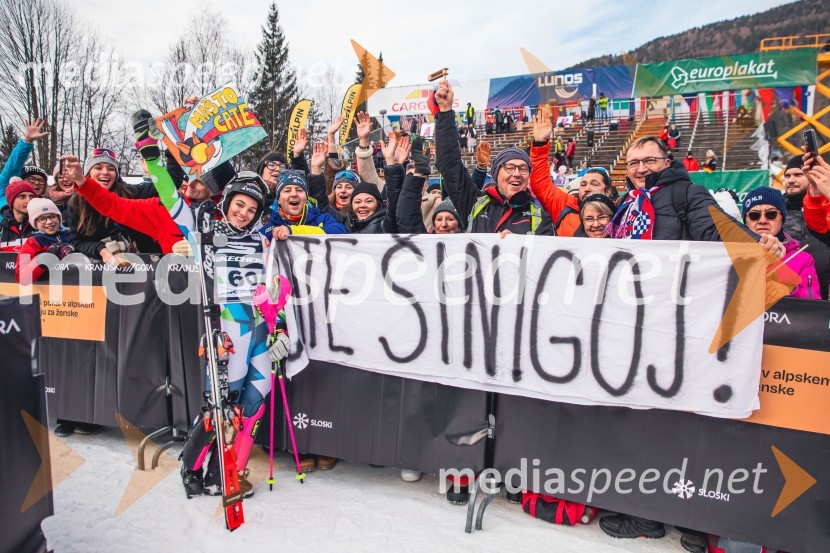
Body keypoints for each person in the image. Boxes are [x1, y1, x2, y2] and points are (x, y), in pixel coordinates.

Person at [599, 136, 784, 543]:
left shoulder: (686, 192)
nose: (641, 167)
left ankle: (682, 520)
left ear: (668, 160)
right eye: (633, 162)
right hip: (636, 328)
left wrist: (757, 245)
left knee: (674, 425)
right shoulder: (629, 206)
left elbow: (718, 230)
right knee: (646, 421)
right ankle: (657, 513)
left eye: (649, 160)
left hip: (674, 329)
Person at [433, 78, 552, 237]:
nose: (516, 173)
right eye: (509, 167)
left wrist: (517, 245)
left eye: (523, 169)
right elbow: (448, 163)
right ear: (496, 174)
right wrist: (446, 111)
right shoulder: (474, 202)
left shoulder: (541, 218)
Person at [64, 148, 160, 261]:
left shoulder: (132, 193)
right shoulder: (76, 203)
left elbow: (165, 188)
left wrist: (153, 170)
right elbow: (78, 242)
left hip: (147, 262)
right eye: (98, 168)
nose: (105, 172)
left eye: (111, 169)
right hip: (105, 268)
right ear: (88, 173)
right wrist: (101, 250)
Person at [528, 113, 612, 237]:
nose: (587, 188)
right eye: (583, 184)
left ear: (608, 192)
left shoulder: (620, 212)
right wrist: (540, 143)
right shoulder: (564, 205)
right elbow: (540, 184)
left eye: (594, 184)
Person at [308, 138, 405, 234]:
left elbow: (395, 197)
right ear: (351, 205)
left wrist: (390, 161)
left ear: (378, 204)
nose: (362, 205)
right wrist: (316, 168)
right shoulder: (346, 223)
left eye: (369, 201)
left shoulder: (385, 223)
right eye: (357, 202)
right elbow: (321, 204)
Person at [741, 186, 820, 299]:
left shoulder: (803, 259)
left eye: (771, 214)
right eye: (754, 215)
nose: (762, 221)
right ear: (746, 220)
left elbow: (813, 305)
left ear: (781, 219)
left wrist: (791, 290)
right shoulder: (731, 254)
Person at [780, 154, 830, 299]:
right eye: (787, 176)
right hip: (792, 301)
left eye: (798, 174)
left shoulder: (824, 210)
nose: (791, 180)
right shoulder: (773, 214)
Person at [16, 198, 73, 284]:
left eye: (53, 216)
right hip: (49, 292)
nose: (49, 222)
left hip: (76, 288)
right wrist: (43, 260)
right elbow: (21, 277)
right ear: (35, 223)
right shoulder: (33, 242)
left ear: (59, 218)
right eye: (42, 219)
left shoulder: (71, 235)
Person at [0, 118, 47, 211]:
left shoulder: (46, 206)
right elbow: (14, 165)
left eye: (41, 181)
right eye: (32, 179)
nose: (37, 183)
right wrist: (27, 141)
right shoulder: (4, 192)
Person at [0, 178, 36, 252]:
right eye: (22, 197)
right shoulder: (2, 229)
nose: (28, 200)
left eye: (32, 196)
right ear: (11, 201)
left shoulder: (42, 225)